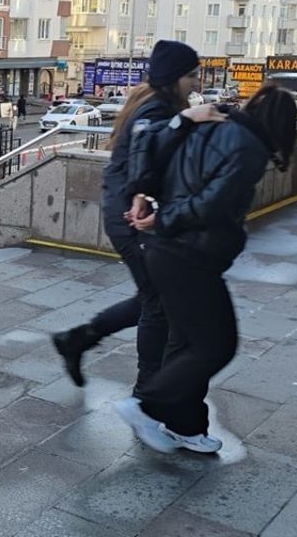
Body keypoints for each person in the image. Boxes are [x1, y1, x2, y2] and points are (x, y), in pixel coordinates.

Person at [113, 84, 297, 454]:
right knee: (217, 345)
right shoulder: (248, 148)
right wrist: (165, 217)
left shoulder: (209, 126)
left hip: (166, 251)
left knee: (185, 342)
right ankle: (145, 406)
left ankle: (186, 426)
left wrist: (146, 199)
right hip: (189, 255)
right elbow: (212, 203)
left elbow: (148, 149)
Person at [51, 40, 208, 392]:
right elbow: (147, 153)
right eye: (191, 75)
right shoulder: (156, 113)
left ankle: (78, 340)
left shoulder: (152, 102)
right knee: (158, 304)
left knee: (155, 298)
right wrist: (184, 122)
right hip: (132, 217)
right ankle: (146, 392)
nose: (196, 83)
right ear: (173, 78)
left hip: (129, 212)